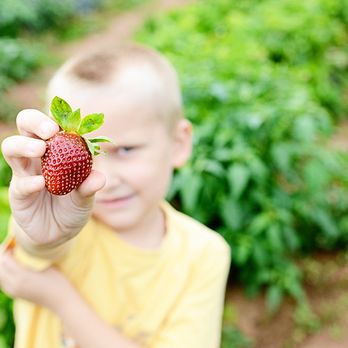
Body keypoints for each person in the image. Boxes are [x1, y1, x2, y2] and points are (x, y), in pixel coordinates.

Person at [0, 43, 231, 348]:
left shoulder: (203, 254)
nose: (103, 180)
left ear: (178, 143)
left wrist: (59, 298)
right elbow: (36, 247)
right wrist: (41, 235)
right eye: (88, 153)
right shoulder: (66, 227)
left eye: (125, 150)